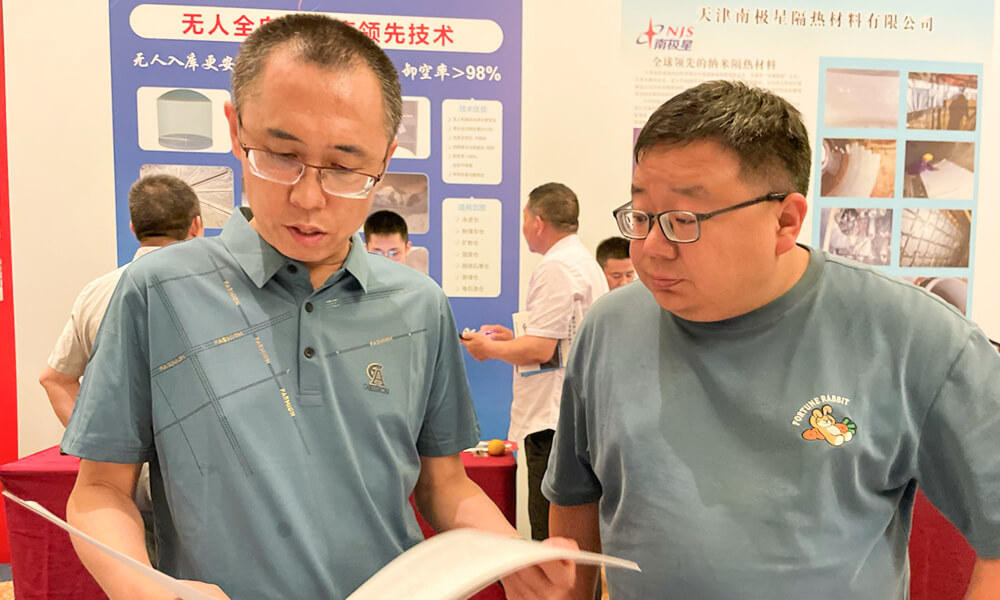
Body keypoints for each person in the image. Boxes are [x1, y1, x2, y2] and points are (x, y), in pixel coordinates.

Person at [62, 15, 573, 600]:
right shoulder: (159, 291)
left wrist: (509, 553)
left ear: (385, 159)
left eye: (345, 167)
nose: (308, 197)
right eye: (281, 155)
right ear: (236, 129)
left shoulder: (418, 304)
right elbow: (99, 490)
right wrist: (146, 589)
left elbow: (444, 484)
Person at [544, 80, 1000, 599]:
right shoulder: (610, 327)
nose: (651, 248)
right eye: (642, 216)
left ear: (785, 221)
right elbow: (576, 498)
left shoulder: (916, 337)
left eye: (683, 221)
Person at [461, 182, 608, 542]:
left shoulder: (556, 266)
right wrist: (510, 340)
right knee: (573, 529)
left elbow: (541, 350)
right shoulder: (581, 261)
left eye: (524, 217)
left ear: (538, 222)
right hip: (569, 413)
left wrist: (487, 349)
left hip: (551, 418)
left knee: (549, 528)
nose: (523, 226)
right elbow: (560, 344)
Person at [39, 174, 203, 426]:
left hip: (121, 448)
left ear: (133, 228)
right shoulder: (222, 293)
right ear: (196, 226)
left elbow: (54, 380)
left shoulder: (95, 294)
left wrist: (92, 442)